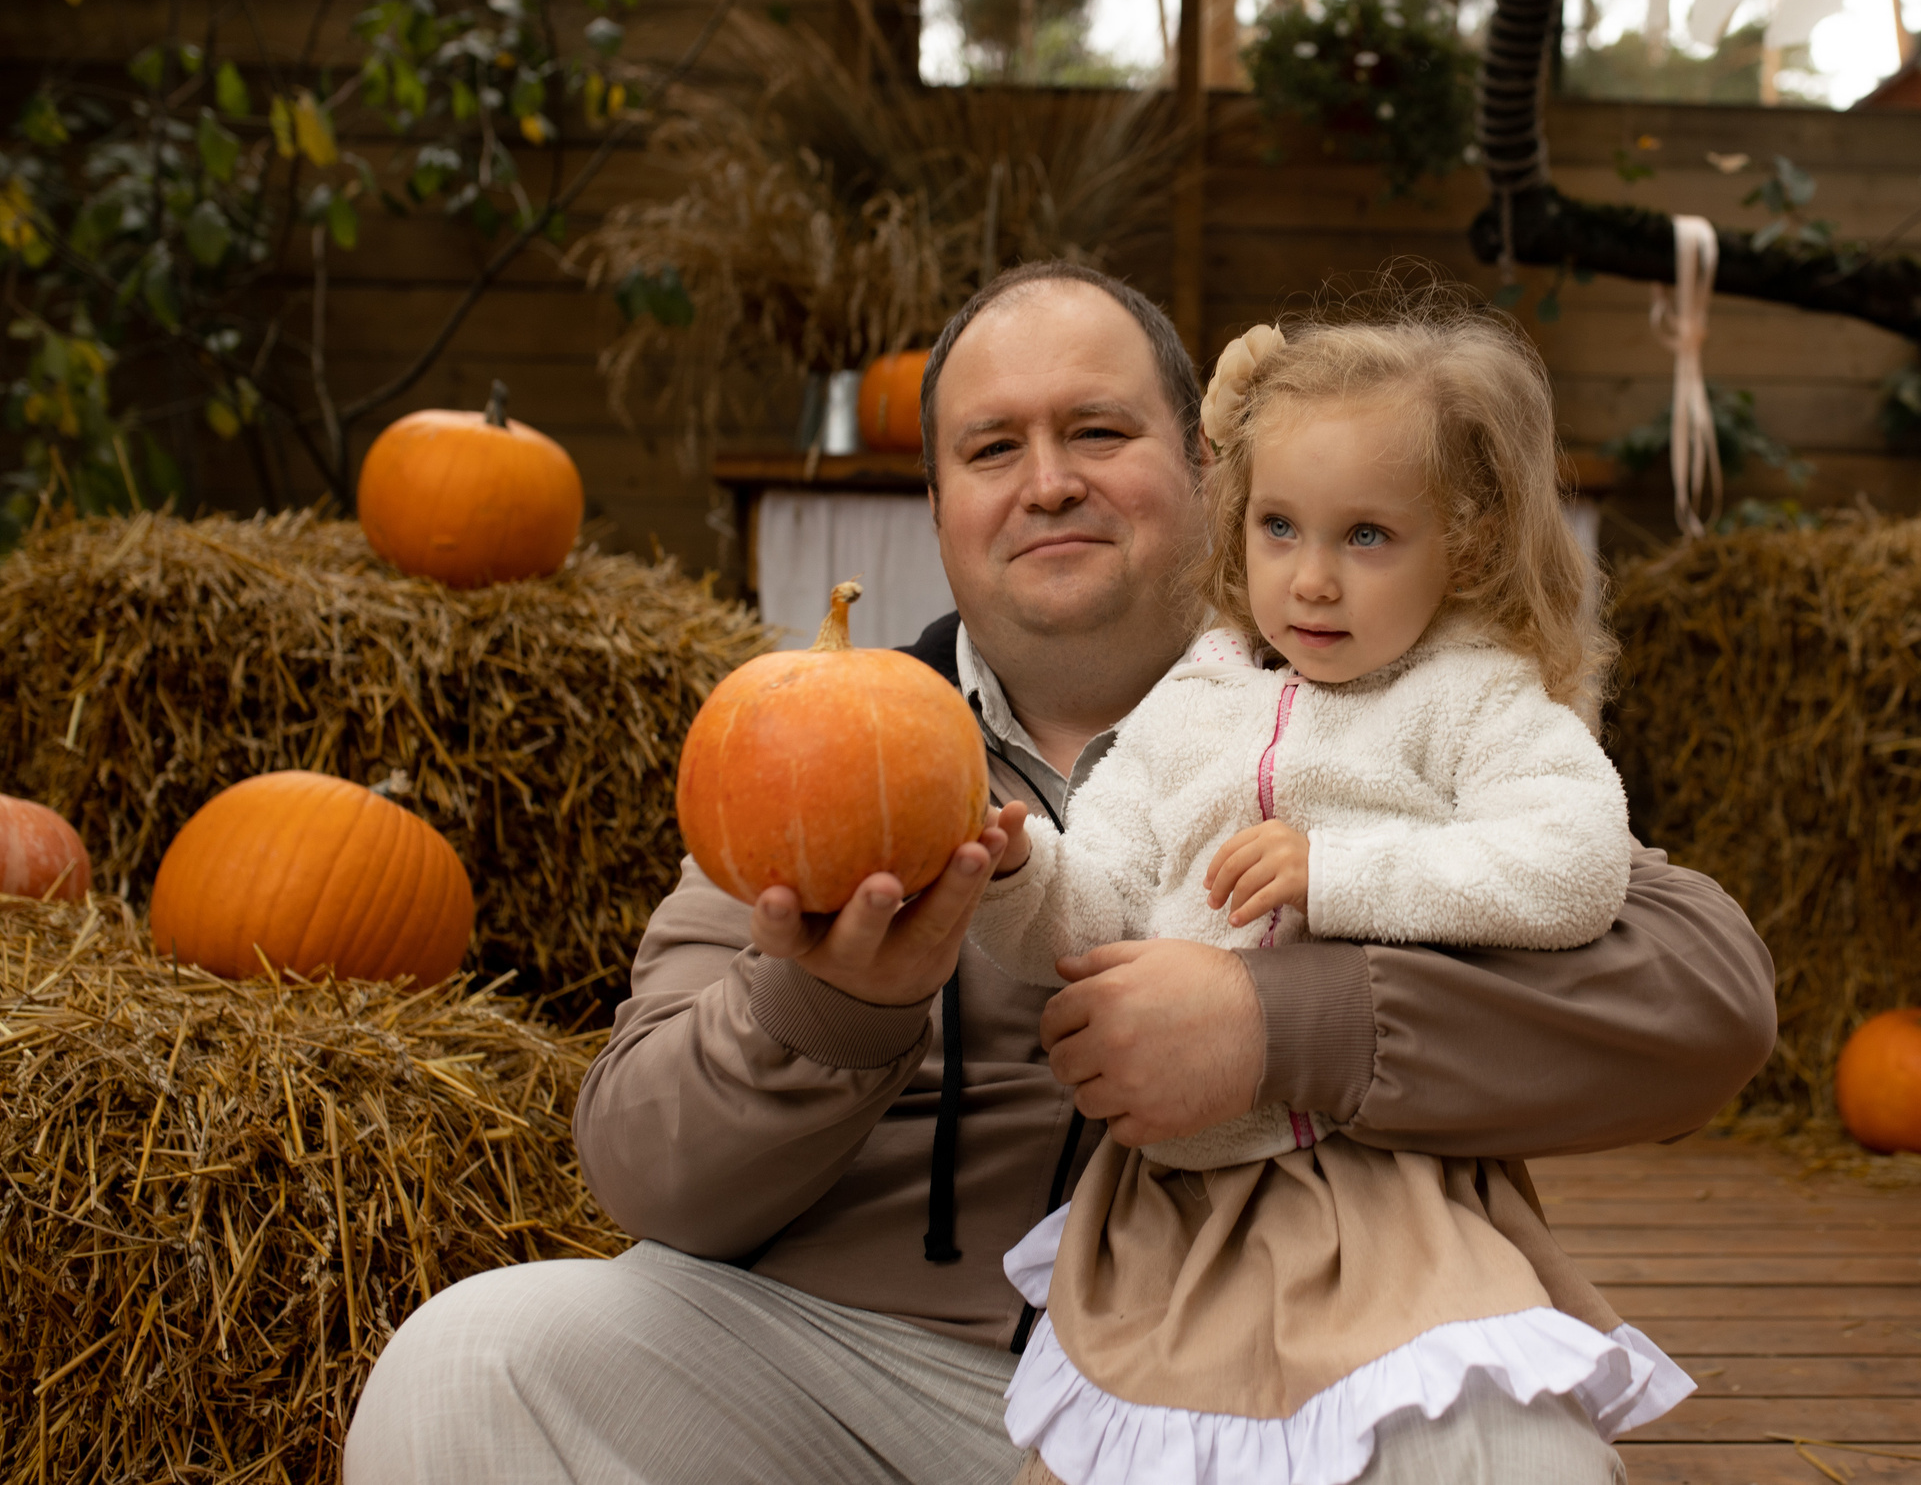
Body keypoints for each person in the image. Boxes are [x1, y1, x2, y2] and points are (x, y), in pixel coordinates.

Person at [342, 261, 1777, 1485]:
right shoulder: (822, 747)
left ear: (1214, 475)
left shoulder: (1362, 722)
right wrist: (830, 1012)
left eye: (1097, 428)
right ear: (938, 504)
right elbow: (648, 1167)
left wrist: (1283, 1026)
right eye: (991, 447)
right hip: (856, 1362)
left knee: (1505, 1447)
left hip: (1255, 1341)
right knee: (472, 1368)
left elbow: (1700, 989)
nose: (1048, 482)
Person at [971, 298, 1695, 1485]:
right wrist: (1020, 873)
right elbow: (1092, 908)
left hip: (1381, 1191)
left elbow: (1571, 865)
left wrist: (1344, 873)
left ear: (1459, 544)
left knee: (1493, 1454)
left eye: (1367, 536)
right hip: (1179, 1215)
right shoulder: (1188, 708)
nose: (1311, 580)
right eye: (1277, 527)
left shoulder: (1474, 699)